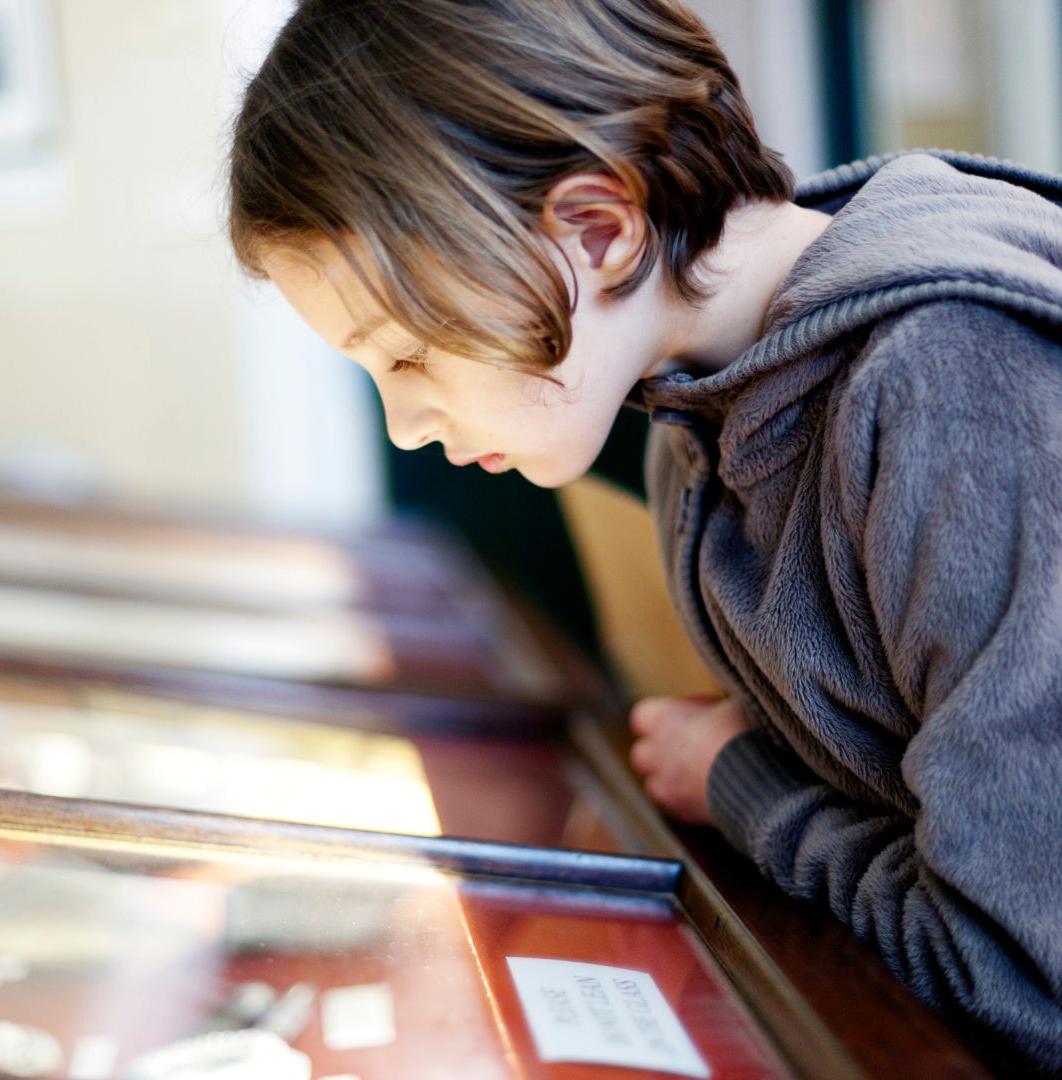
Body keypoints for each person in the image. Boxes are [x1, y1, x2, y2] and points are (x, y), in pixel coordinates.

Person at [226, 0, 1062, 1070]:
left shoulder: (956, 383)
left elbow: (1021, 977)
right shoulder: (688, 427)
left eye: (409, 354)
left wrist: (741, 786)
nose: (407, 425)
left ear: (597, 229)